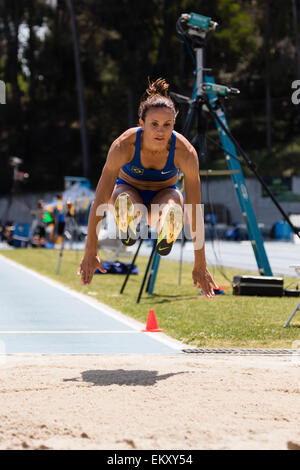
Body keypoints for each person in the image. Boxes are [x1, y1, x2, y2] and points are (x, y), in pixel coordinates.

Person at [77, 78, 217, 298]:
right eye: (154, 124)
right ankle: (127, 222)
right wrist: (90, 250)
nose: (161, 131)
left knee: (174, 204)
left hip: (163, 197)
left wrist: (200, 263)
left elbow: (195, 208)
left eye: (167, 125)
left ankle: (167, 229)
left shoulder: (186, 153)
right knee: (121, 197)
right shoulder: (123, 145)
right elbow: (100, 200)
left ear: (174, 124)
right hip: (129, 191)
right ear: (141, 123)